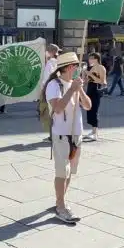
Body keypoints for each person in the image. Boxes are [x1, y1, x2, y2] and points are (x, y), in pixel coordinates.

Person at [43, 52, 91, 223]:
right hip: (62, 134)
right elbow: (57, 108)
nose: (79, 69)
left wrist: (80, 90)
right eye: (77, 66)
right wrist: (71, 90)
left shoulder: (74, 84)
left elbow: (88, 105)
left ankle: (59, 200)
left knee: (70, 170)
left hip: (77, 132)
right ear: (70, 67)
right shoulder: (54, 85)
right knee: (62, 171)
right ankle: (61, 206)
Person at [84, 53, 107, 142]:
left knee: (94, 110)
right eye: (89, 58)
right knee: (89, 109)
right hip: (90, 89)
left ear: (96, 59)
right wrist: (84, 75)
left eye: (91, 58)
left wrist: (90, 74)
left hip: (97, 90)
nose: (89, 60)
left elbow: (102, 81)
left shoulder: (101, 67)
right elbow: (87, 80)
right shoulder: (91, 68)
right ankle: (93, 131)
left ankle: (95, 132)